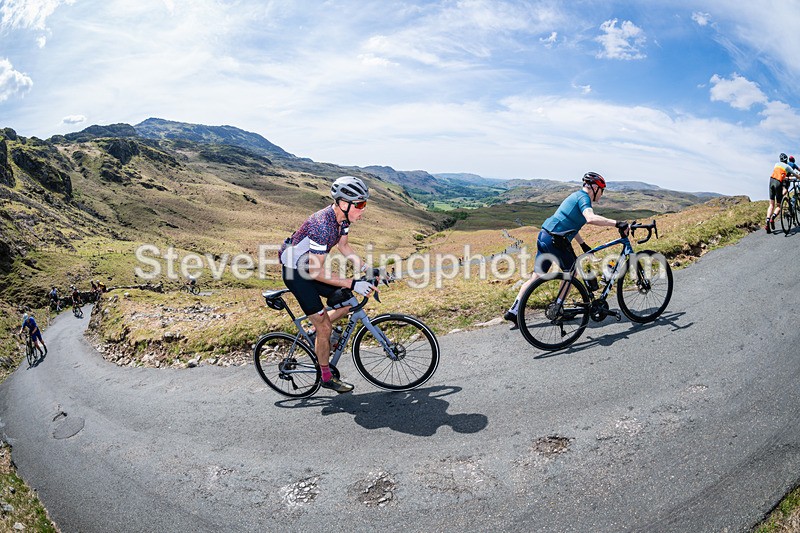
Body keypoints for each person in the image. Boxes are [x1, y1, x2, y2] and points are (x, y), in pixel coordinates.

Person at [278, 176, 376, 393]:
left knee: (347, 302)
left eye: (364, 204)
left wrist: (366, 268)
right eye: (360, 204)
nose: (363, 209)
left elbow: (344, 246)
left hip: (309, 268)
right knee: (325, 326)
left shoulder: (343, 220)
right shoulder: (322, 225)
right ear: (343, 203)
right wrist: (352, 282)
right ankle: (326, 376)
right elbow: (314, 272)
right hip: (296, 272)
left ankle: (316, 333)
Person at [503, 172, 630, 327]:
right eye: (602, 190)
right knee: (571, 273)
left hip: (545, 236)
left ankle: (513, 311)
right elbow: (590, 218)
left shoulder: (575, 196)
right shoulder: (584, 198)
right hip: (556, 240)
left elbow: (570, 223)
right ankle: (558, 309)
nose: (601, 194)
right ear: (595, 188)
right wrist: (618, 223)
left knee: (536, 276)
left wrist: (582, 244)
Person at [765, 153, 800, 233]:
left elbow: (781, 174)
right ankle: (772, 218)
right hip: (778, 182)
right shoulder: (788, 167)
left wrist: (787, 177)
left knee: (771, 205)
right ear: (786, 160)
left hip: (771, 181)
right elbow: (796, 175)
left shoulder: (776, 164)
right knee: (778, 206)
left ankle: (767, 220)